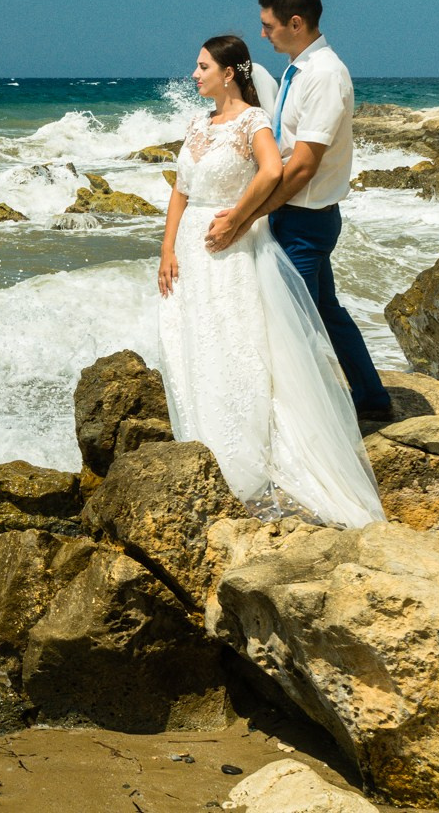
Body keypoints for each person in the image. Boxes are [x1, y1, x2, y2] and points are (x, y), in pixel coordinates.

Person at [158, 34, 384, 529]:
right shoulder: (197, 123)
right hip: (191, 246)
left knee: (238, 338)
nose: (194, 75)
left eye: (201, 67)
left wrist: (239, 217)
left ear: (229, 73)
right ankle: (199, 430)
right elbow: (181, 188)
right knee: (194, 336)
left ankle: (249, 437)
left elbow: (272, 170)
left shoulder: (253, 121)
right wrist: (167, 248)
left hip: (229, 244)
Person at [209, 0, 393, 420]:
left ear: (295, 22)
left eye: (268, 25)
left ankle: (312, 420)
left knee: (292, 324)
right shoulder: (299, 69)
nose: (262, 33)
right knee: (326, 311)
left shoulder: (326, 75)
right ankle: (371, 398)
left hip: (305, 220)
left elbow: (305, 164)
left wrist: (247, 214)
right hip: (296, 215)